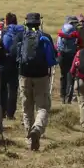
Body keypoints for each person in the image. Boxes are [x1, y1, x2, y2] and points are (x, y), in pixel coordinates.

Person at [12, 12, 57, 151]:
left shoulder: (21, 36)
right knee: (43, 107)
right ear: (39, 23)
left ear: (26, 22)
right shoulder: (46, 36)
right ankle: (37, 129)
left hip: (24, 76)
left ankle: (28, 136)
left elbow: (13, 52)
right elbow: (54, 56)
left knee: (27, 107)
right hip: (42, 77)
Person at [0, 13, 22, 120]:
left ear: (7, 21)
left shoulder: (5, 31)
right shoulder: (21, 30)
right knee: (13, 88)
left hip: (4, 61)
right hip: (16, 62)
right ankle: (10, 114)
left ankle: (2, 112)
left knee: (3, 88)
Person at [57, 18, 84, 104]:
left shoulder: (62, 31)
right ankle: (68, 99)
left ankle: (62, 97)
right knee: (71, 76)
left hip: (61, 56)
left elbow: (58, 44)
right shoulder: (76, 33)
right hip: (72, 56)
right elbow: (81, 45)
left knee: (63, 75)